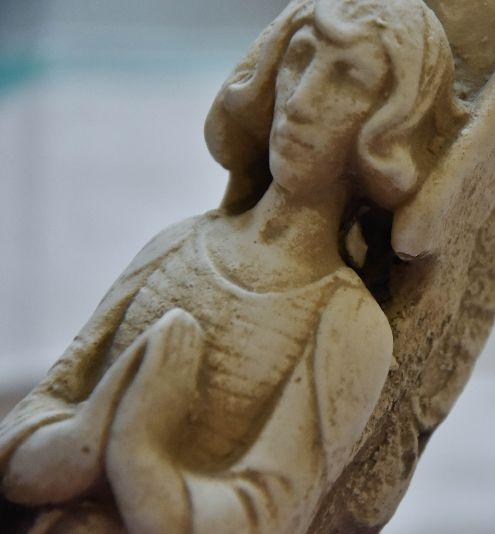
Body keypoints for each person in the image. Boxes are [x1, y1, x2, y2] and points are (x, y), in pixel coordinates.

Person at [0, 0, 461, 532]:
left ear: (387, 122)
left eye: (347, 78)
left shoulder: (345, 322)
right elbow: (30, 423)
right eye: (300, 58)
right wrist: (86, 434)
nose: (303, 100)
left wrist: (140, 461)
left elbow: (270, 513)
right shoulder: (178, 245)